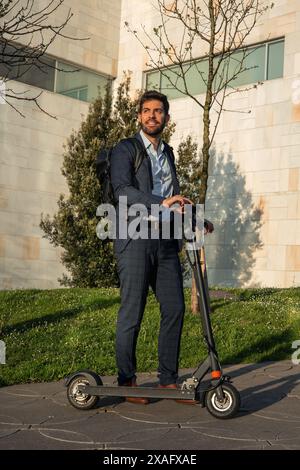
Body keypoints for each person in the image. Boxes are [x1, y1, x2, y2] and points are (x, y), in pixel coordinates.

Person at [110, 90, 213, 404]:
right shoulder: (125, 149)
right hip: (135, 239)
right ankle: (127, 381)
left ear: (166, 117)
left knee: (175, 308)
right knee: (133, 312)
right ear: (139, 116)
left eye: (158, 111)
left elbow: (175, 197)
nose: (152, 116)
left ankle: (168, 380)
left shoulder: (168, 153)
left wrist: (196, 218)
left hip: (166, 241)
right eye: (147, 111)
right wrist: (160, 202)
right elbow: (123, 190)